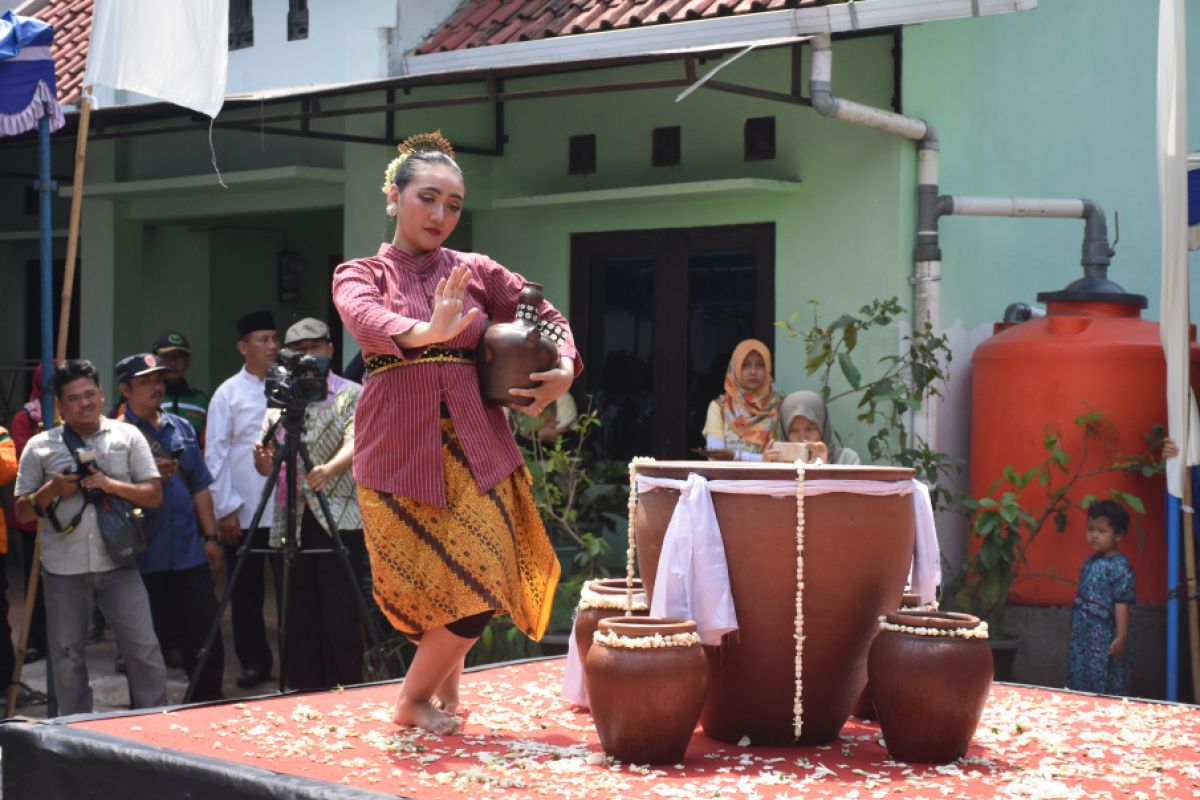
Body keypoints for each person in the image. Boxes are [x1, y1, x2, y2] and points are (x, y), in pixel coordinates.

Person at [332, 130, 579, 735]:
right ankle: (444, 698)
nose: (441, 214)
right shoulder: (358, 273)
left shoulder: (476, 271)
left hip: (477, 448)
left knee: (482, 580)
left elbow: (543, 314)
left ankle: (411, 700)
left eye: (454, 204)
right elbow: (366, 318)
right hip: (395, 453)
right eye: (427, 198)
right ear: (394, 196)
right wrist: (425, 332)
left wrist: (564, 369)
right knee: (427, 589)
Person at [13, 360, 167, 715]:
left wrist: (109, 484)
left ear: (101, 394)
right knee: (67, 657)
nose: (85, 403)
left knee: (143, 650)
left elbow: (154, 494)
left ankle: (154, 725)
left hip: (119, 562)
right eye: (74, 398)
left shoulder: (127, 436)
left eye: (90, 394)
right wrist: (52, 489)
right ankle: (76, 734)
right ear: (60, 405)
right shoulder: (40, 446)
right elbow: (22, 511)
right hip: (63, 567)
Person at [252, 317, 368, 691]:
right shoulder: (280, 397)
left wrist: (331, 468)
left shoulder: (351, 392)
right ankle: (303, 690)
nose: (306, 358)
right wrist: (260, 454)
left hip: (338, 513)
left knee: (340, 611)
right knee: (297, 611)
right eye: (298, 351)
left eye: (314, 348)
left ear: (330, 350)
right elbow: (265, 462)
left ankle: (346, 689)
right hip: (291, 517)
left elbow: (360, 438)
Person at [115, 353, 226, 701]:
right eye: (146, 381)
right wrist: (143, 480)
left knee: (206, 634)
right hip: (142, 555)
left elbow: (200, 485)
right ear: (125, 389)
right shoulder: (115, 435)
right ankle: (146, 715)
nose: (156, 387)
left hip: (189, 551)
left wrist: (211, 536)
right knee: (145, 644)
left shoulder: (180, 427)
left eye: (158, 380)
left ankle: (206, 706)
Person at [205, 311, 281, 690]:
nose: (271, 346)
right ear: (242, 347)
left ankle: (297, 658)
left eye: (273, 338)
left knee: (289, 587)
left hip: (284, 509)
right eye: (262, 339)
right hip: (246, 508)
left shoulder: (288, 386)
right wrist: (226, 509)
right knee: (246, 592)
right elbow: (215, 454)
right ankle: (254, 662)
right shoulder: (228, 393)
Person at [1066, 500, 1135, 696]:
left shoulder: (1121, 567)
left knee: (1106, 679)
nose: (1094, 535)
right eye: (1091, 529)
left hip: (1106, 639)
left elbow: (1122, 603)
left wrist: (1121, 636)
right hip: (1083, 639)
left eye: (1101, 531)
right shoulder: (1089, 561)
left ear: (1119, 535)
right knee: (1080, 678)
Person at [7, 365, 48, 663]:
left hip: (69, 515)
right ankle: (35, 641)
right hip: (32, 515)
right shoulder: (25, 418)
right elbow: (22, 462)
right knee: (34, 582)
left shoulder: (73, 414)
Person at [701, 338, 783, 461]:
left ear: (768, 368)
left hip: (771, 479)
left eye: (760, 365)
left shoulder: (779, 405)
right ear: (735, 367)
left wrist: (735, 456)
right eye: (745, 365)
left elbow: (787, 457)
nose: (753, 372)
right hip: (729, 479)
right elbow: (715, 458)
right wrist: (761, 460)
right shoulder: (720, 407)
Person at [764, 390, 862, 465]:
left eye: (810, 429)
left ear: (822, 427)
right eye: (793, 431)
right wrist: (769, 473)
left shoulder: (846, 460)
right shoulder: (778, 464)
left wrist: (824, 471)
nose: (802, 438)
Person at [152, 332, 211, 443]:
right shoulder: (145, 397)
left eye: (178, 356)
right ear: (155, 360)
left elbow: (211, 443)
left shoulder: (201, 401)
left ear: (187, 361)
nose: (172, 362)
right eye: (166, 356)